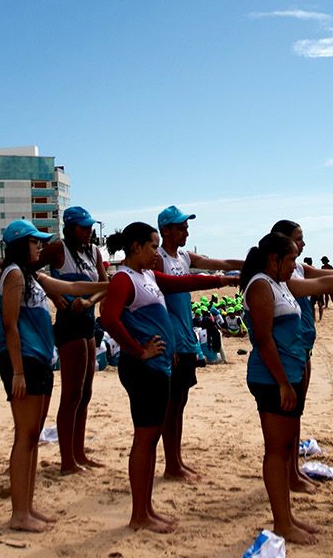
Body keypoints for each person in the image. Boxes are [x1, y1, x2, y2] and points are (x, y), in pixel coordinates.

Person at [99, 221, 234, 532]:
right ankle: (139, 515)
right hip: (144, 370)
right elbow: (107, 317)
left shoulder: (146, 275)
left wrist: (222, 281)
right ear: (136, 248)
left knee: (152, 438)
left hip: (159, 368)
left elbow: (182, 283)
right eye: (151, 245)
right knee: (144, 440)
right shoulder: (123, 278)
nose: (155, 251)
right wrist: (136, 349)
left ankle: (146, 509)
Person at [242, 231, 333, 544]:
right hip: (273, 379)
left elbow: (322, 283)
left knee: (287, 449)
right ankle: (282, 524)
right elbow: (262, 339)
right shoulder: (260, 285)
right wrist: (284, 383)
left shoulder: (280, 283)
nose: (294, 266)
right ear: (274, 259)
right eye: (290, 260)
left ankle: (287, 517)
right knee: (276, 451)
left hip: (290, 373)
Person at [0, 219, 107, 532]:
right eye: (35, 242)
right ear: (22, 245)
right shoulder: (15, 274)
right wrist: (17, 371)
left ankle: (28, 506)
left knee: (32, 437)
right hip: (25, 362)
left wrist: (111, 284)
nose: (40, 247)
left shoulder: (31, 275)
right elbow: (10, 325)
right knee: (25, 435)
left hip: (40, 359)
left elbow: (71, 288)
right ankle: (19, 513)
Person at [153, 205, 242, 482]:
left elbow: (219, 263)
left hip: (186, 336)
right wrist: (168, 343)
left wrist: (249, 265)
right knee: (170, 404)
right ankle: (171, 464)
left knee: (180, 401)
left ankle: (176, 460)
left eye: (186, 226)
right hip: (172, 338)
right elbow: (157, 302)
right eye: (181, 227)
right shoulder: (157, 258)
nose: (186, 231)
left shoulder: (183, 256)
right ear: (165, 229)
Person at [51, 206, 108, 474]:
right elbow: (29, 272)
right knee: (71, 394)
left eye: (90, 226)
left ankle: (79, 453)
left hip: (87, 322)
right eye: (84, 227)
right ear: (70, 227)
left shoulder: (94, 251)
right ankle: (66, 460)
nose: (89, 231)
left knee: (85, 393)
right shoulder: (58, 249)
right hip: (68, 325)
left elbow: (105, 285)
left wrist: (89, 301)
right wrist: (55, 297)